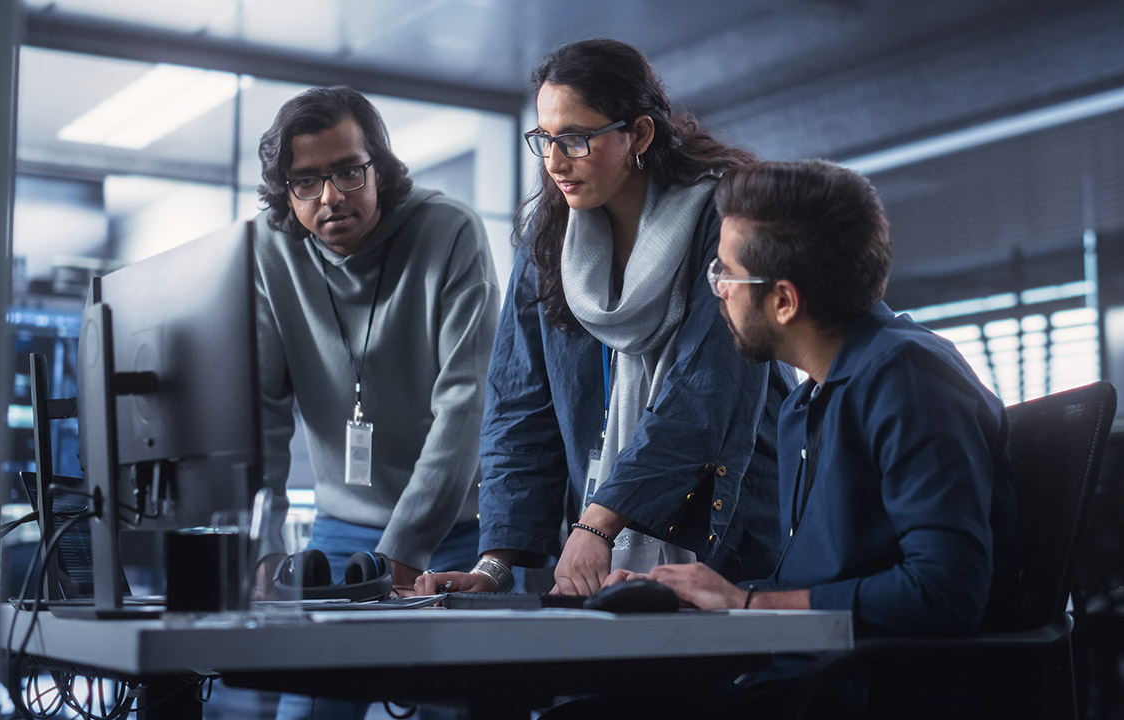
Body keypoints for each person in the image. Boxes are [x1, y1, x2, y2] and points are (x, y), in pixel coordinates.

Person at [548, 159, 1019, 717]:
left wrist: (745, 603)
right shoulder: (807, 401)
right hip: (803, 681)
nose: (717, 291)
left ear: (785, 301)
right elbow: (809, 583)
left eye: (725, 273)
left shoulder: (908, 378)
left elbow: (945, 592)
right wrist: (684, 596)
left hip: (864, 693)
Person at [417, 39, 792, 598]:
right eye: (544, 139)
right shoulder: (549, 239)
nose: (554, 162)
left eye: (575, 139)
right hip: (599, 543)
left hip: (728, 531)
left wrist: (600, 521)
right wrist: (493, 566)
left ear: (638, 134)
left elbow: (704, 391)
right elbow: (520, 407)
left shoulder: (725, 225)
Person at [250, 86, 499, 720]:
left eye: (347, 172)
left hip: (456, 533)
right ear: (285, 192)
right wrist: (263, 549)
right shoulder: (269, 250)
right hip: (341, 528)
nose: (330, 196)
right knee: (307, 711)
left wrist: (404, 550)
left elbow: (465, 406)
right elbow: (261, 417)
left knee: (449, 707)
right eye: (305, 181)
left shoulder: (450, 232)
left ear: (379, 169)